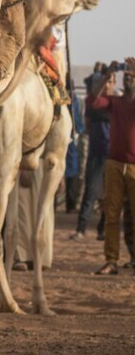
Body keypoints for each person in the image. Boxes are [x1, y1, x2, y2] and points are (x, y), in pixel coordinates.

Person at [90, 59, 135, 275]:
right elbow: (92, 100)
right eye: (126, 77)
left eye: (132, 77)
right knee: (112, 214)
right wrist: (107, 76)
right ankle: (111, 260)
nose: (128, 79)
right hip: (114, 163)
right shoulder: (115, 102)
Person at [72, 70, 112, 239]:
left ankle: (102, 229)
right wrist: (106, 78)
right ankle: (81, 229)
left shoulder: (116, 102)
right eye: (105, 82)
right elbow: (88, 121)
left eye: (110, 82)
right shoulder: (94, 103)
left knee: (109, 195)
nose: (107, 85)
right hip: (97, 154)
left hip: (112, 156)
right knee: (91, 192)